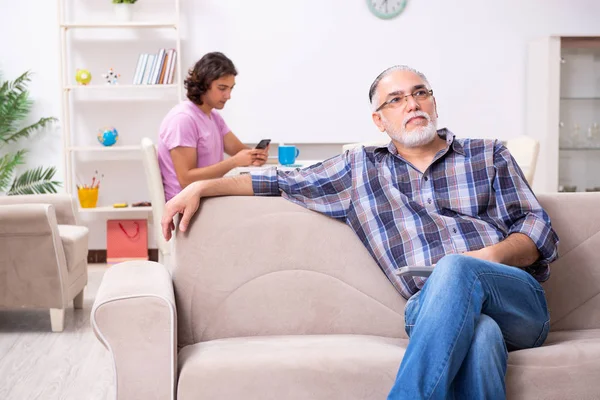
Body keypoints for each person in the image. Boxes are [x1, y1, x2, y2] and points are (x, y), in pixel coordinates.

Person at [161, 65, 559, 399]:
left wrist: (488, 259)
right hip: (432, 307)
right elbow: (277, 180)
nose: (413, 103)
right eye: (397, 99)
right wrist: (199, 186)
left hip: (516, 301)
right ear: (379, 121)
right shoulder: (359, 169)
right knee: (482, 336)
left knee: (455, 268)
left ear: (433, 102)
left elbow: (536, 228)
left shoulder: (487, 153)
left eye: (420, 93)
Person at [157, 52, 269, 201]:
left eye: (231, 88)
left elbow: (238, 150)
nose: (228, 95)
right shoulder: (183, 120)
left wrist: (255, 155)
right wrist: (235, 161)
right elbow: (186, 180)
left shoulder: (213, 116)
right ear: (203, 84)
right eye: (222, 88)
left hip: (205, 199)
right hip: (185, 205)